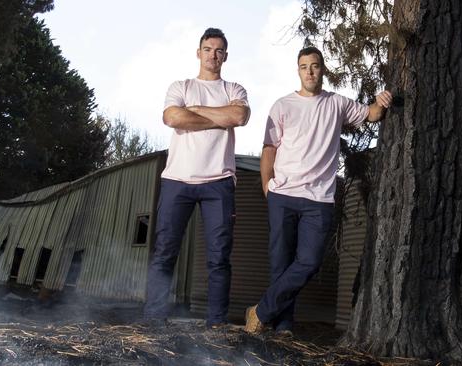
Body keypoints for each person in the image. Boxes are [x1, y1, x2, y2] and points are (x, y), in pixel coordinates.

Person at [244, 46, 391, 335]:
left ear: (323, 70)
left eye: (314, 66)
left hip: (318, 199)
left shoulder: (337, 104)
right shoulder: (282, 105)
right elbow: (269, 149)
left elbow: (372, 114)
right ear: (297, 71)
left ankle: (260, 311)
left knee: (308, 262)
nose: (309, 71)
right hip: (283, 195)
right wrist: (267, 188)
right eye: (303, 66)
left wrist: (382, 102)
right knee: (280, 264)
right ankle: (282, 327)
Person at [144, 28, 250, 328]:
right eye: (207, 49)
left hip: (219, 182)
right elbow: (172, 118)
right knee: (165, 251)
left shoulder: (235, 89)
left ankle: (215, 325)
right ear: (198, 52)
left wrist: (195, 112)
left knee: (219, 258)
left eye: (218, 50)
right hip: (177, 180)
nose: (212, 55)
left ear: (225, 56)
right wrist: (219, 117)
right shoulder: (181, 86)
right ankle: (154, 321)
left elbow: (239, 117)